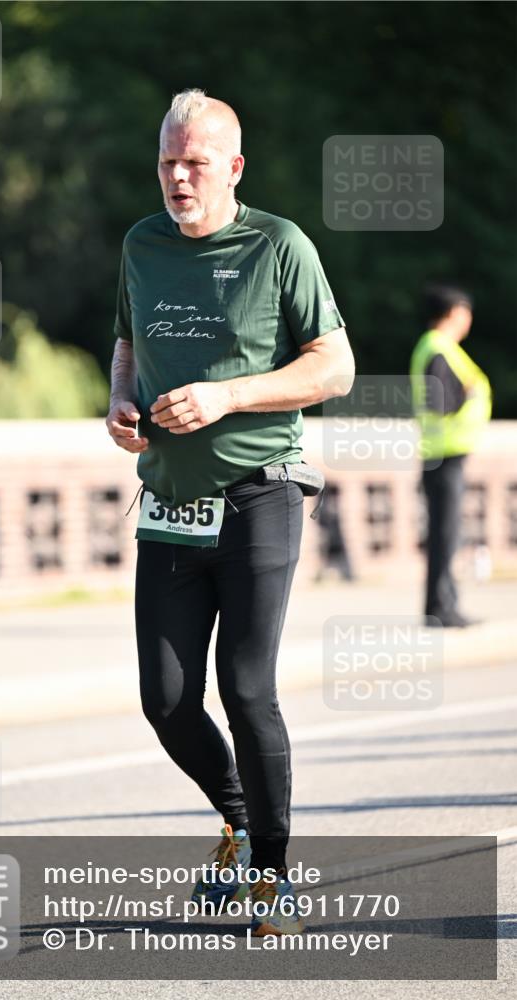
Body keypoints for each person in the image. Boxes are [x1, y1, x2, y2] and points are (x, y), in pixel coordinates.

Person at [106, 88, 354, 937]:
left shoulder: (279, 245)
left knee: (246, 689)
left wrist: (228, 397)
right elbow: (127, 341)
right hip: (170, 505)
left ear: (233, 168)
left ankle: (272, 877)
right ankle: (240, 821)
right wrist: (119, 404)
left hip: (260, 494)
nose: (178, 177)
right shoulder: (141, 244)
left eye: (195, 163)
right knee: (167, 700)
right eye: (168, 162)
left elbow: (333, 369)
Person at [410, 283, 492, 628]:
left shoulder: (438, 347)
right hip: (444, 455)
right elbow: (439, 401)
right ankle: (442, 607)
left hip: (444, 453)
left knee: (446, 532)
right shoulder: (438, 347)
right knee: (445, 534)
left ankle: (441, 605)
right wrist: (468, 393)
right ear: (455, 313)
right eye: (465, 312)